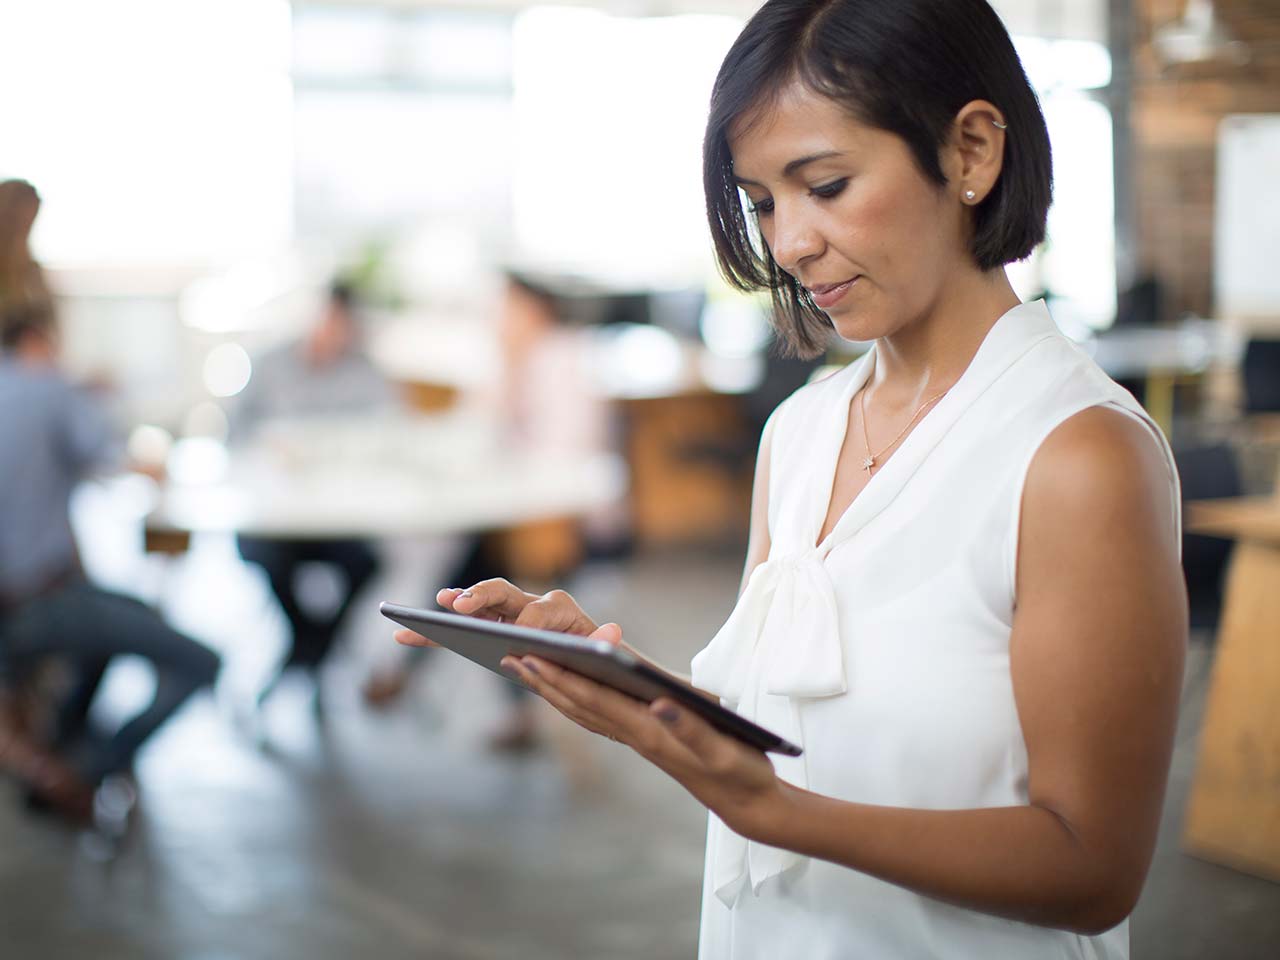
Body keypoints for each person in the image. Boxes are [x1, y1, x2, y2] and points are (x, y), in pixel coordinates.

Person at [394, 2, 1187, 958]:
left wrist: (776, 815)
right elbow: (785, 728)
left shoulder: (1077, 457)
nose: (790, 243)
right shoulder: (802, 430)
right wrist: (626, 682)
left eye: (827, 185)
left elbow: (1091, 868)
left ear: (972, 152)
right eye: (763, 202)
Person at [0, 300, 221, 813]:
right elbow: (120, 457)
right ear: (38, 342)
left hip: (28, 603)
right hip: (34, 601)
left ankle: (65, 745)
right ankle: (78, 771)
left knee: (122, 618)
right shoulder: (45, 387)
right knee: (200, 660)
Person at [234, 280, 396, 710]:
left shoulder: (365, 373)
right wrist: (268, 450)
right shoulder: (270, 364)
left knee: (367, 564)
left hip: (336, 519)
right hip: (273, 520)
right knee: (267, 560)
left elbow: (392, 437)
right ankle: (310, 649)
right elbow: (233, 434)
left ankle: (306, 654)